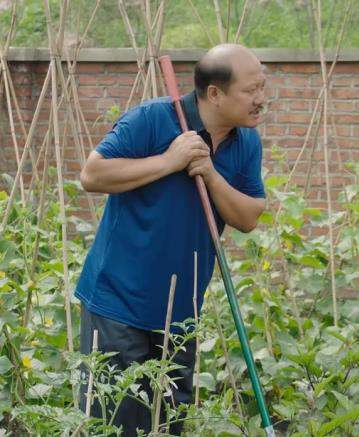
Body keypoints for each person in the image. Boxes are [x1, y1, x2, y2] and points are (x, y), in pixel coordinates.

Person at [76, 44, 267, 435]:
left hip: (179, 315)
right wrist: (170, 161)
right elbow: (92, 175)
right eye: (251, 90)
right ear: (214, 93)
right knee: (114, 424)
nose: (261, 99)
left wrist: (210, 174)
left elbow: (248, 217)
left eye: (262, 88)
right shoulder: (151, 119)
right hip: (118, 305)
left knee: (168, 425)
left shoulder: (246, 141)